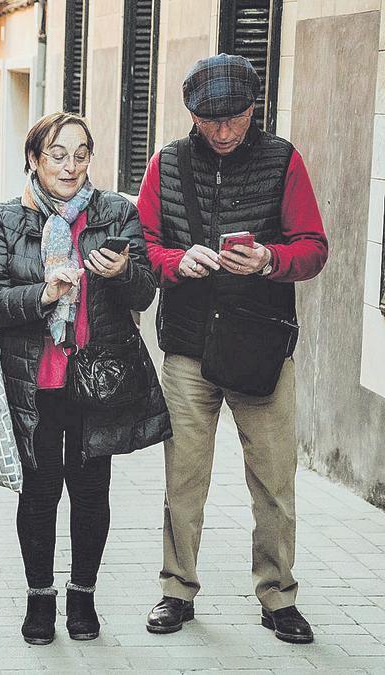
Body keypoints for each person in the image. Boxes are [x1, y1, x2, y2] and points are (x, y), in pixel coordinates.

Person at [138, 54, 328, 644]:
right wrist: (176, 261)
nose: (222, 131)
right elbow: (143, 242)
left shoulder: (283, 160)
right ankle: (176, 590)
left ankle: (278, 596)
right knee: (183, 480)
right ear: (191, 113)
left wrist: (270, 260)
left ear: (254, 109)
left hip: (261, 347)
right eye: (208, 120)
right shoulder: (166, 162)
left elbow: (314, 246)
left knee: (273, 479)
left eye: (234, 118)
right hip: (188, 348)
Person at [0, 112, 170, 645]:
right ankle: (39, 598)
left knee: (90, 490)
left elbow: (144, 292)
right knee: (39, 490)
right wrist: (42, 294)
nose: (70, 164)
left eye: (80, 153)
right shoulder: (3, 221)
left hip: (96, 378)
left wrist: (122, 272)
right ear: (35, 159)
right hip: (35, 379)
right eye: (57, 154)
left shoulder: (114, 213)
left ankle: (82, 595)